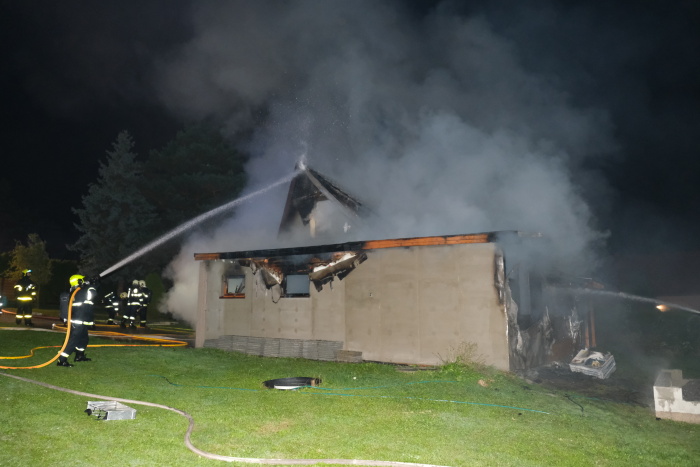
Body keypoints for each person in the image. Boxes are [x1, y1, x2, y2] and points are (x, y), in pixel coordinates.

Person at [57, 274, 96, 367]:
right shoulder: (79, 292)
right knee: (73, 341)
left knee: (84, 339)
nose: (84, 281)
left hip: (83, 321)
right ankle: (61, 360)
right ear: (79, 281)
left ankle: (79, 356)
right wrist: (91, 284)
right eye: (83, 280)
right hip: (77, 321)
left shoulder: (78, 291)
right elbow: (93, 293)